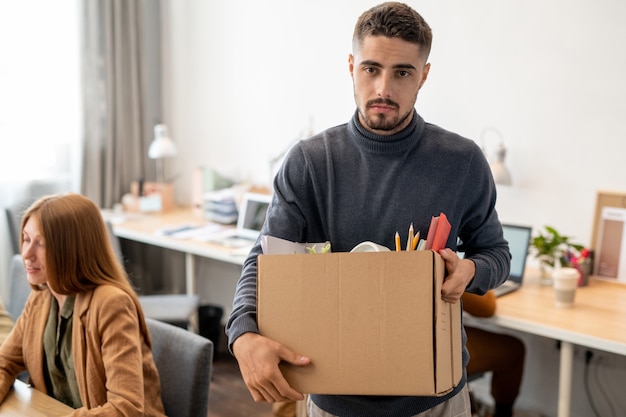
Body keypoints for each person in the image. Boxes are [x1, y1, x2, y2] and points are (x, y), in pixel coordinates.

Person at [226, 2, 511, 416]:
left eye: (402, 73)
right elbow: (264, 260)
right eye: (371, 69)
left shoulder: (462, 160)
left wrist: (470, 271)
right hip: (335, 398)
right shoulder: (310, 160)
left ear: (424, 76)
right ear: (351, 66)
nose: (383, 90)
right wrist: (241, 333)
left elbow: (496, 254)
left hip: (435, 399)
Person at [0, 193, 166, 416]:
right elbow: (5, 362)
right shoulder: (41, 297)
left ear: (71, 249)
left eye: (41, 244)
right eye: (26, 239)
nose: (27, 254)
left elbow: (126, 409)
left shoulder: (111, 304)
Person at [463, 291, 525, 417]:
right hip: (435, 349)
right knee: (513, 351)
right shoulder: (440, 270)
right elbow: (487, 307)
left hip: (415, 341)